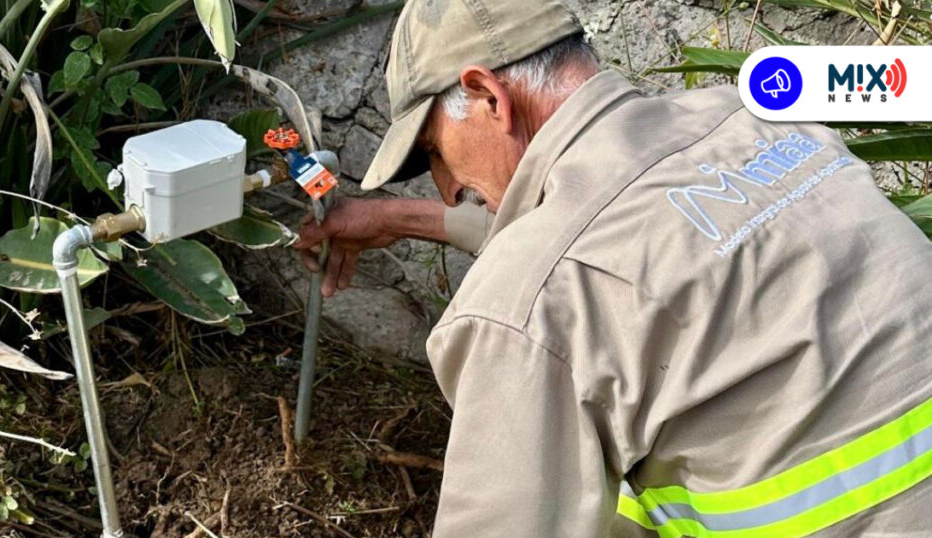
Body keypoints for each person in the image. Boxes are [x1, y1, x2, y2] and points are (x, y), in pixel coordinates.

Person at [296, 0, 932, 536]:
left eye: (434, 152)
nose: (446, 188)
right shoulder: (751, 122)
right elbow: (626, 239)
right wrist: (395, 218)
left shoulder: (524, 306)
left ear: (488, 96)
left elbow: (558, 270)